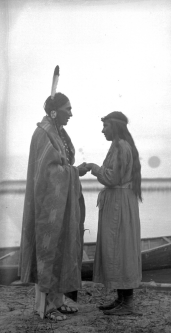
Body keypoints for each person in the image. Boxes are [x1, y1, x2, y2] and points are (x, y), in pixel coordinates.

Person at [18, 87, 88, 321]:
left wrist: (73, 171)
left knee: (61, 249)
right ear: (55, 111)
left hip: (61, 204)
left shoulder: (56, 132)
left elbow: (61, 165)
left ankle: (56, 302)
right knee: (47, 251)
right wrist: (74, 172)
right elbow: (48, 172)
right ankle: (44, 308)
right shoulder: (44, 133)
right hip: (48, 205)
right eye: (68, 109)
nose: (71, 113)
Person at [85, 111, 142, 316]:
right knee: (118, 249)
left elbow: (112, 178)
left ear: (115, 126)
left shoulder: (120, 147)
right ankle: (121, 299)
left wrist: (93, 167)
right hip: (119, 203)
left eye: (106, 125)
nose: (102, 130)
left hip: (119, 204)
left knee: (120, 249)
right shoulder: (119, 146)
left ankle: (127, 303)